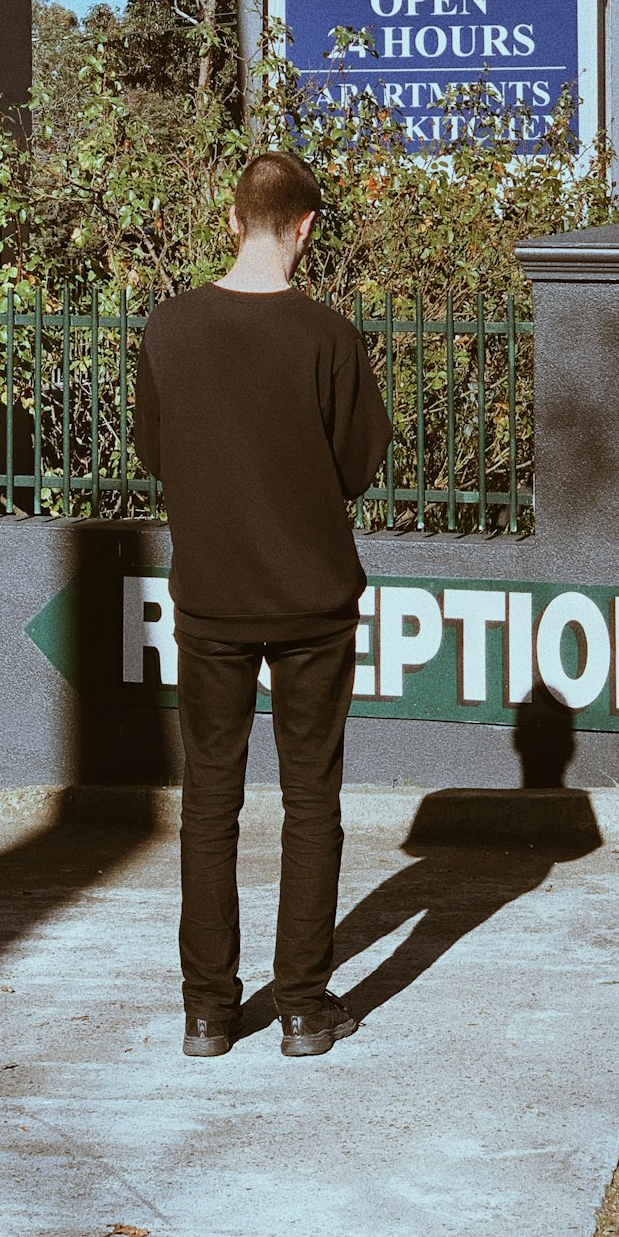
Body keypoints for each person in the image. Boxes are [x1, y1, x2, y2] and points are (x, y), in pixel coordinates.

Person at [133, 152, 392, 1060]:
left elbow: (157, 453)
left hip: (211, 598)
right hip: (313, 599)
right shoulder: (330, 337)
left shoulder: (169, 328)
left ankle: (208, 1010)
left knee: (209, 800)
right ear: (307, 227)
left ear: (231, 216)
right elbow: (359, 465)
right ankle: (305, 1009)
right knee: (310, 801)